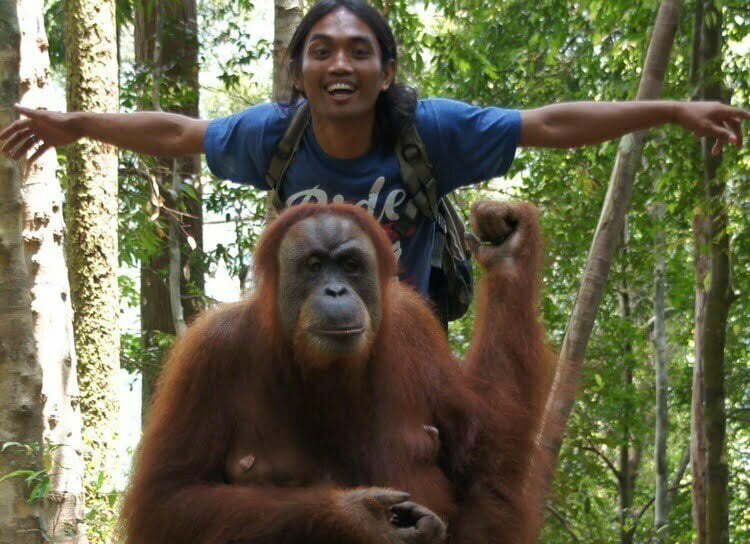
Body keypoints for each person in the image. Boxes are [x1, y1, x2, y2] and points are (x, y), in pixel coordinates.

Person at [1, 0, 747, 295]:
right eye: (321, 51)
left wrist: (673, 110)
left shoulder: (432, 132)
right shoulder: (275, 134)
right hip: (297, 339)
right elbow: (178, 133)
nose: (340, 66)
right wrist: (75, 124)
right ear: (299, 72)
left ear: (386, 71)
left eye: (360, 52)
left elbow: (547, 123)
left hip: (401, 345)